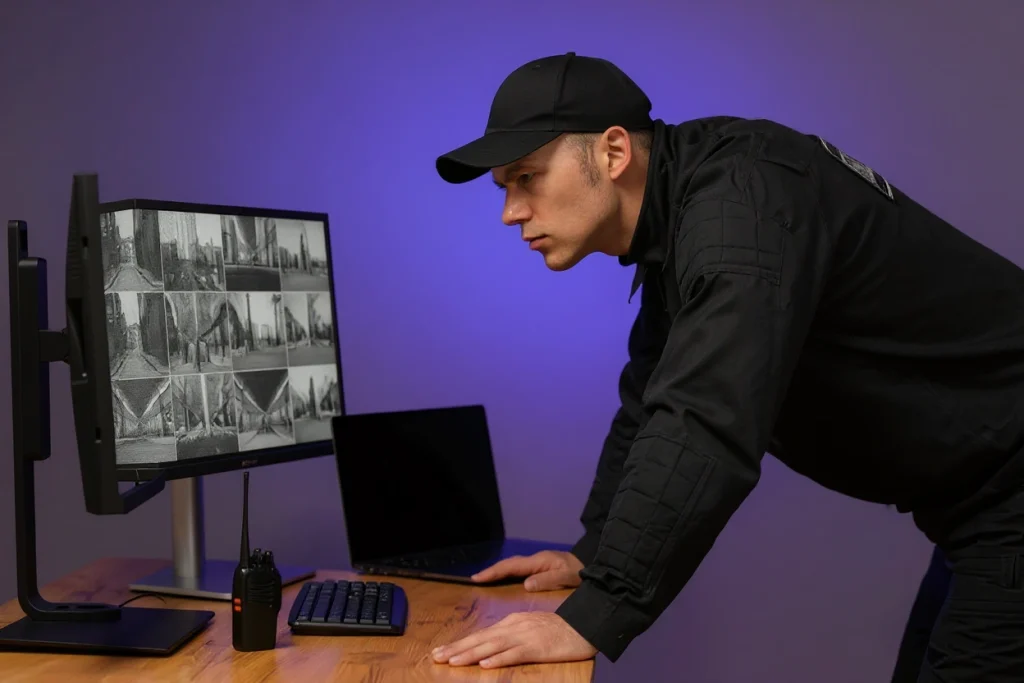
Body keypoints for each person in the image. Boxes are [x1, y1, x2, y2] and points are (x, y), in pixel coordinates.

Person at [429, 52, 1024, 681]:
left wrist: (592, 614)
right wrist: (594, 555)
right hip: (981, 509)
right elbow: (651, 400)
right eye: (505, 187)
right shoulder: (687, 212)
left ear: (611, 153)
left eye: (527, 177)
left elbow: (705, 417)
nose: (511, 212)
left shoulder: (739, 208)